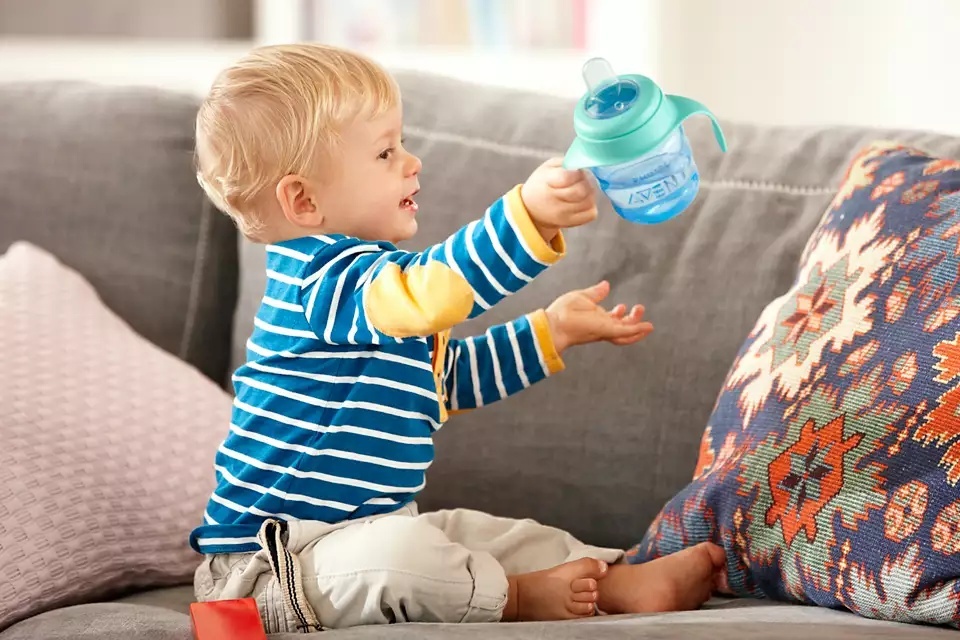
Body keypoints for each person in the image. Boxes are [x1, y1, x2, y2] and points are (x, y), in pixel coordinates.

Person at [189, 43, 726, 633]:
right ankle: (515, 598)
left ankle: (618, 583)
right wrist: (527, 217)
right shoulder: (321, 282)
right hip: (269, 573)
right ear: (304, 200)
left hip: (365, 537)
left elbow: (447, 382)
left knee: (487, 535)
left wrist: (551, 331)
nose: (412, 162)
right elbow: (434, 290)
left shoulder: (374, 304)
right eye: (386, 152)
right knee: (405, 554)